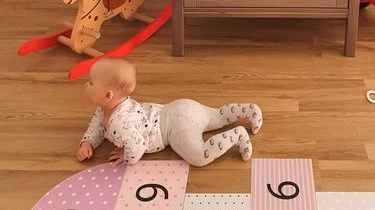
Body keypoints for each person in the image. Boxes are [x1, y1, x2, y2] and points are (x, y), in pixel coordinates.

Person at [76, 57, 262, 167]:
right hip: (180, 107)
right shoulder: (106, 109)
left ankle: (237, 135)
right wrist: (88, 142)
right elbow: (97, 126)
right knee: (217, 116)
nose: (86, 84)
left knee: (199, 156)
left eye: (91, 82)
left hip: (175, 128)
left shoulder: (120, 123)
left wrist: (126, 157)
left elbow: (138, 145)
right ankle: (249, 110)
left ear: (108, 95)